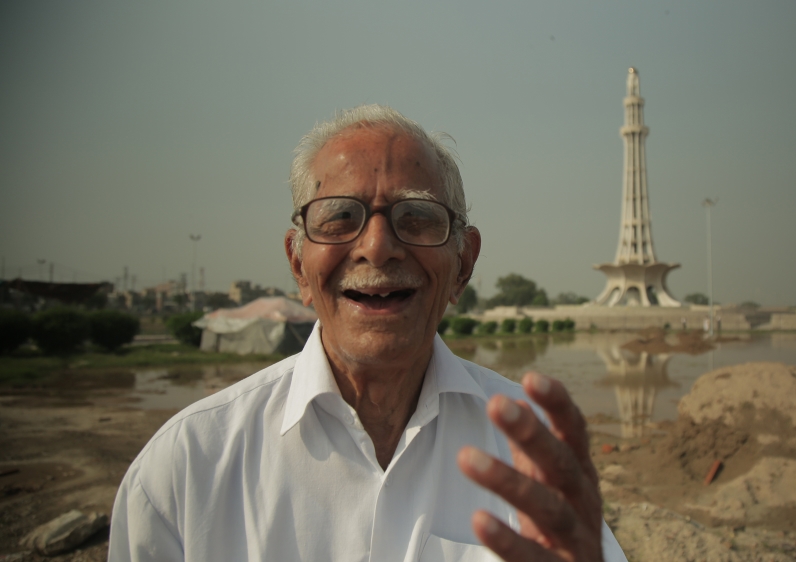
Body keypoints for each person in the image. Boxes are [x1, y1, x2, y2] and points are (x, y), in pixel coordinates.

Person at [108, 105, 626, 562]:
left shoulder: (530, 448)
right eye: (339, 217)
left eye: (416, 217)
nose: (377, 247)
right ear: (298, 264)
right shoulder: (187, 466)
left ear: (463, 264)